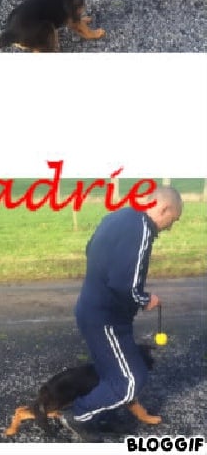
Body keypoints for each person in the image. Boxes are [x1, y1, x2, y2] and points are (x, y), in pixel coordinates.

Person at [61, 186, 183, 441]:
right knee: (131, 380)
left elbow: (90, 248)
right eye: (172, 221)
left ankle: (101, 416)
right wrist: (145, 299)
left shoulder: (118, 216)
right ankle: (80, 415)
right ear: (163, 208)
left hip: (92, 310)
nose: (169, 228)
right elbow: (125, 284)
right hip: (106, 319)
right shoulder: (142, 229)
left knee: (112, 373)